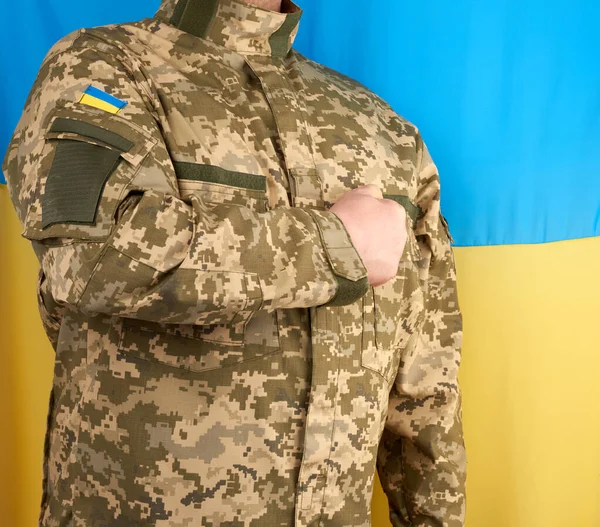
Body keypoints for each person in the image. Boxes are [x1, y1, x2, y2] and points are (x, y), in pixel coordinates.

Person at [1, 0, 466, 525]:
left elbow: (424, 388)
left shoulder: (386, 132)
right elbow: (95, 258)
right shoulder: (103, 68)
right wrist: (334, 244)